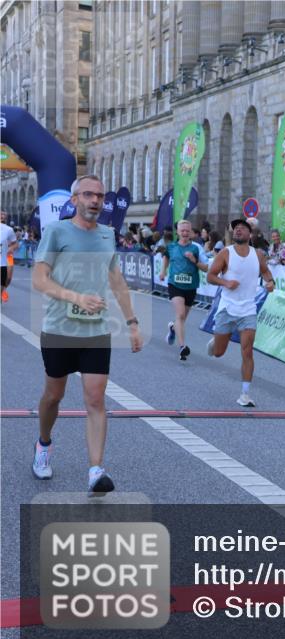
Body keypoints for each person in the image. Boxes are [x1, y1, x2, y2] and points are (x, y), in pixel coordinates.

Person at [30, 174, 144, 495]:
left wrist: (132, 322)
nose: (95, 201)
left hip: (95, 331)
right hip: (59, 328)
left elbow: (117, 281)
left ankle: (96, 470)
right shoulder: (56, 231)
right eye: (88, 195)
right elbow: (40, 279)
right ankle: (44, 444)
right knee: (54, 396)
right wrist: (76, 297)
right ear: (74, 199)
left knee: (95, 399)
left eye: (100, 196)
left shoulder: (108, 235)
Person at [205, 219, 276, 407]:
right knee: (219, 353)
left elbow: (267, 273)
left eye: (242, 228)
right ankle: (216, 340)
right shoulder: (225, 253)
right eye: (235, 229)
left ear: (250, 234)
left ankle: (245, 394)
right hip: (227, 308)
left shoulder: (258, 254)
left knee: (247, 352)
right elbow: (210, 276)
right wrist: (226, 283)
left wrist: (270, 283)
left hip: (248, 310)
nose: (238, 231)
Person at [159, 219, 210, 360]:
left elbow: (206, 268)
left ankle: (173, 329)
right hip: (175, 285)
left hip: (191, 286)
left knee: (182, 319)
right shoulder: (171, 247)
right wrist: (163, 271)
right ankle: (182, 347)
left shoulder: (197, 248)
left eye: (188, 230)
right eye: (183, 231)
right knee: (180, 314)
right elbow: (166, 258)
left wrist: (194, 260)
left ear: (191, 232)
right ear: (178, 232)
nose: (185, 233)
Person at [1, 210, 19, 303]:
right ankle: (2, 291)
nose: (2, 216)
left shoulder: (8, 230)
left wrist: (11, 248)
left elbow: (16, 244)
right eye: (1, 214)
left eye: (4, 215)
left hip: (8, 256)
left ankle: (4, 289)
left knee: (9, 276)